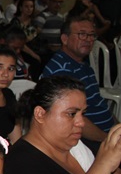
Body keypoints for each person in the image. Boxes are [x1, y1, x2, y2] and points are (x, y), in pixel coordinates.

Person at [42, 13, 115, 152]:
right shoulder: (61, 70)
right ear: (65, 39)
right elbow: (73, 119)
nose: (88, 40)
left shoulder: (83, 65)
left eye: (92, 35)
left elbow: (99, 104)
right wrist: (107, 139)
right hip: (87, 143)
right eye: (82, 34)